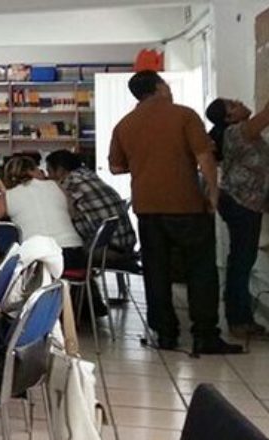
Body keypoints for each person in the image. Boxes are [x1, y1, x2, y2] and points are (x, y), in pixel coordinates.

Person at [109, 71, 241, 355]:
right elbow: (205, 157)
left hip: (147, 207)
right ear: (160, 87)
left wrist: (145, 162)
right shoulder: (184, 115)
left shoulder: (125, 124)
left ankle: (165, 334)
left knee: (156, 271)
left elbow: (116, 167)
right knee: (201, 270)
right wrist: (213, 194)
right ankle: (205, 335)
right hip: (186, 205)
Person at [206, 96, 269, 339]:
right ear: (229, 117)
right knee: (242, 262)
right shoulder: (237, 132)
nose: (240, 102)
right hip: (241, 203)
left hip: (247, 203)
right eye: (233, 104)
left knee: (242, 260)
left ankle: (241, 317)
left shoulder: (239, 131)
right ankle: (238, 320)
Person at [45, 149, 138, 269]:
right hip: (126, 245)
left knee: (59, 251)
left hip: (106, 250)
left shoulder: (70, 183)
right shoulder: (88, 175)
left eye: (49, 171)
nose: (48, 177)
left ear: (60, 170)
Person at [0, 156, 85, 268]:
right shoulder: (56, 185)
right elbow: (73, 213)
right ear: (32, 170)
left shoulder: (7, 196)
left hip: (39, 259)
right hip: (74, 253)